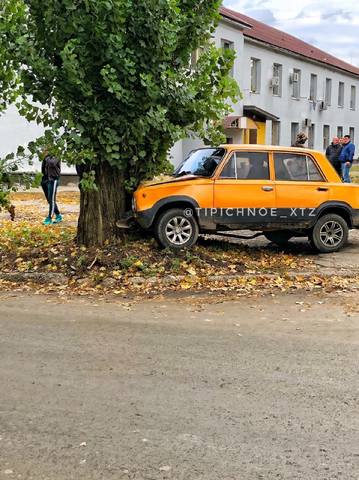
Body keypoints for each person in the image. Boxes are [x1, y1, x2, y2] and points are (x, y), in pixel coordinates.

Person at [41, 148, 62, 225]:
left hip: (53, 180)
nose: (43, 151)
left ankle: (49, 218)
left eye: (46, 149)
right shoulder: (46, 158)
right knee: (49, 200)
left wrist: (46, 156)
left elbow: (52, 163)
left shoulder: (57, 155)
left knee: (52, 199)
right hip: (45, 180)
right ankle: (58, 215)